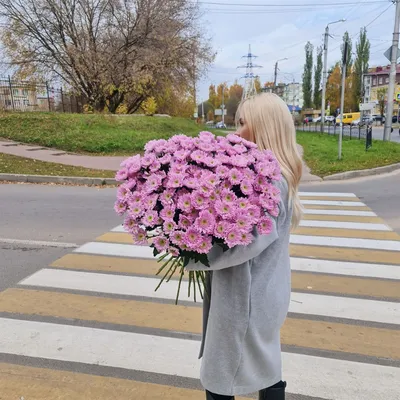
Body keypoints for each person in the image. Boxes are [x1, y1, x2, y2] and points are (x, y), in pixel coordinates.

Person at [186, 93, 303, 400]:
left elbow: (244, 245)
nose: (235, 132)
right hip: (263, 291)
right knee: (264, 366)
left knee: (221, 377)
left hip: (246, 297)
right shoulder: (275, 175)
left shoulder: (270, 182)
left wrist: (191, 251)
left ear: (264, 127)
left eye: (242, 123)